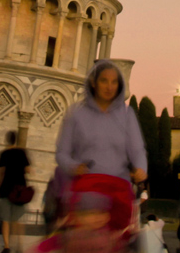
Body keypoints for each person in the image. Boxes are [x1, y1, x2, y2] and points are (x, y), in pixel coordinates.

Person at [55, 59, 147, 189]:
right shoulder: (76, 113)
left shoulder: (127, 114)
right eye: (104, 81)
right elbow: (62, 153)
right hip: (85, 187)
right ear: (93, 83)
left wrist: (141, 169)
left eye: (114, 82)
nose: (109, 87)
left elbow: (137, 150)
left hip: (117, 188)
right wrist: (73, 167)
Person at [0, 131, 31, 253]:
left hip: (6, 189)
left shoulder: (3, 154)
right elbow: (28, 170)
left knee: (6, 220)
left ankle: (7, 246)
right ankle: (19, 245)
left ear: (7, 140)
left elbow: (1, 173)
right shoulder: (22, 153)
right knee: (17, 219)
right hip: (19, 190)